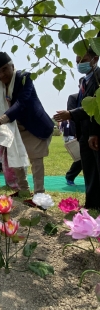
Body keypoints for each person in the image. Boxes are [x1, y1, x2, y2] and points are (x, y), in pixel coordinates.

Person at [0, 51, 53, 196]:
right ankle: (23, 190)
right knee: (15, 158)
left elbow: (21, 103)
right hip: (13, 128)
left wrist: (1, 119)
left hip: (33, 125)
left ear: (12, 66)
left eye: (4, 69)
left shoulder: (25, 77)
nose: (1, 75)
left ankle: (39, 194)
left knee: (36, 160)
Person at [54, 47, 100, 210]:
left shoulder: (98, 77)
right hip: (84, 134)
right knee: (89, 170)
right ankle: (92, 204)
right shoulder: (84, 81)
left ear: (95, 59)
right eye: (77, 61)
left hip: (95, 134)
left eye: (83, 60)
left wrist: (71, 114)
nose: (79, 64)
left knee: (97, 170)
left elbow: (95, 106)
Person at [64, 78, 84, 186]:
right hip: (81, 131)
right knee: (81, 157)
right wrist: (75, 132)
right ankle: (70, 176)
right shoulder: (74, 98)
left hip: (93, 130)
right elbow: (71, 116)